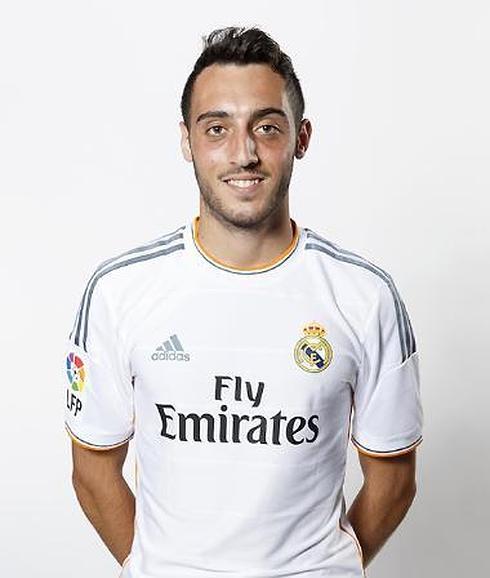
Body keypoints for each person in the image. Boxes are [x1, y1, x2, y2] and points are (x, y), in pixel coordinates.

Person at [64, 26, 423, 578]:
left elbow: (394, 479)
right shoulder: (119, 292)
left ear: (301, 138)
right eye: (217, 128)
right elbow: (92, 468)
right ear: (187, 141)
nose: (244, 152)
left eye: (267, 127)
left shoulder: (365, 297)